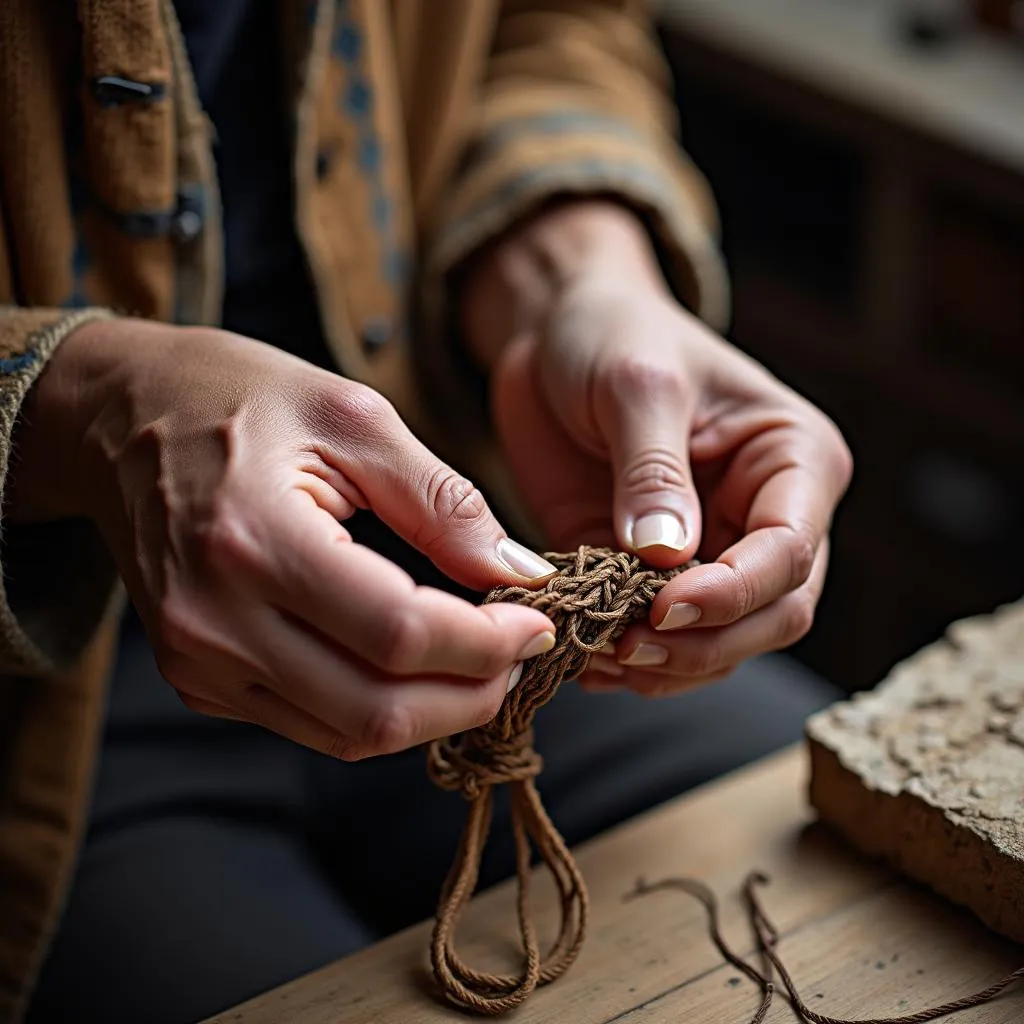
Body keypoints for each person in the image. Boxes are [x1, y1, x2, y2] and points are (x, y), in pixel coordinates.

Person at [0, 2, 852, 1021]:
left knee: (853, 868)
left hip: (484, 590)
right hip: (53, 711)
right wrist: (80, 406)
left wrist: (570, 269)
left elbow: (558, 25)